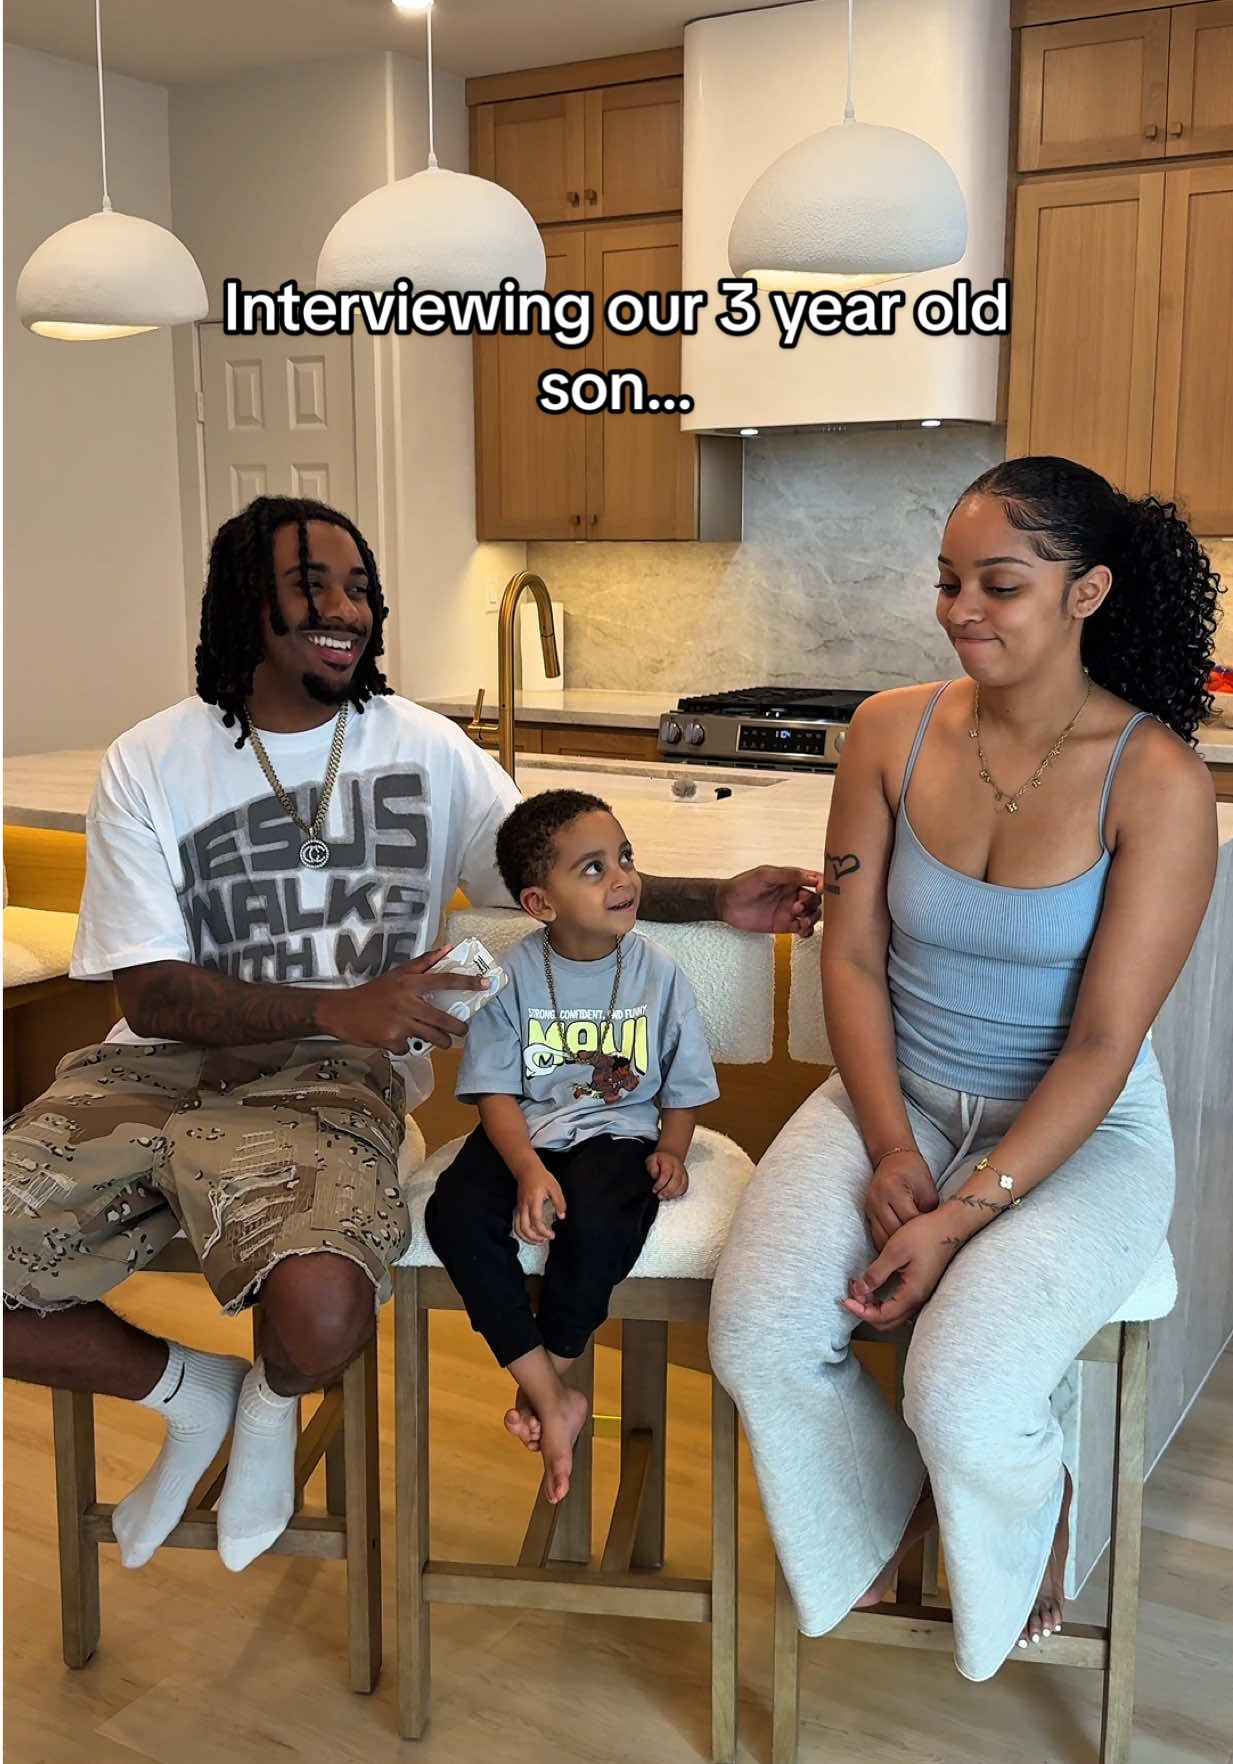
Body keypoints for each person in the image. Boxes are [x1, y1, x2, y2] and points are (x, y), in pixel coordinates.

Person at [2, 494, 821, 1578]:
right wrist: (331, 1003)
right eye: (313, 587)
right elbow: (152, 996)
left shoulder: (428, 750)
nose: (347, 611)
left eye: (360, 590)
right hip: (145, 1071)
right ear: (246, 601)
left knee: (323, 1312)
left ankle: (268, 1399)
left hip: (331, 1085)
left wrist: (715, 898)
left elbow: (548, 877)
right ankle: (193, 1392)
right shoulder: (150, 760)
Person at [709, 456, 1220, 1682]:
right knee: (761, 1338)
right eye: (948, 582)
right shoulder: (890, 730)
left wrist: (961, 1215)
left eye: (999, 584)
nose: (959, 610)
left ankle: (1033, 1494)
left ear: (1087, 591)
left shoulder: (1157, 779)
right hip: (896, 1096)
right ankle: (892, 1499)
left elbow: (1103, 1044)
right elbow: (851, 957)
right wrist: (892, 1146)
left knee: (962, 1388)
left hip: (1082, 1133)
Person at [425, 790, 719, 1503]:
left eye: (625, 857)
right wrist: (526, 1169)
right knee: (452, 1215)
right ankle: (550, 1392)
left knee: (603, 1220)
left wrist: (673, 1148)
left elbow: (683, 1084)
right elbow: (495, 1094)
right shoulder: (512, 978)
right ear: (540, 903)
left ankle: (545, 1383)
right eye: (593, 868)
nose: (622, 878)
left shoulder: (659, 972)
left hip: (619, 1133)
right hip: (522, 1134)